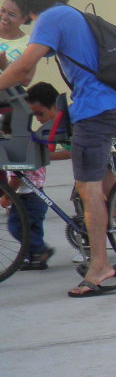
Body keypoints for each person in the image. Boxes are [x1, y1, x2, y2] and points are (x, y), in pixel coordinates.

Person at [0, 0, 116, 297]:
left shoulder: (50, 17)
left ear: (31, 4)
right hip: (111, 105)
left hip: (94, 111)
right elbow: (24, 67)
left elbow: (23, 71)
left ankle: (100, 266)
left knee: (89, 192)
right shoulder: (70, 15)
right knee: (107, 183)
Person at [1, 81, 63, 270]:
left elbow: (16, 179)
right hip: (38, 197)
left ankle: (39, 251)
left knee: (17, 228)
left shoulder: (18, 152)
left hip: (27, 197)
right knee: (34, 228)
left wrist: (6, 196)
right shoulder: (32, 143)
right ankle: (36, 257)